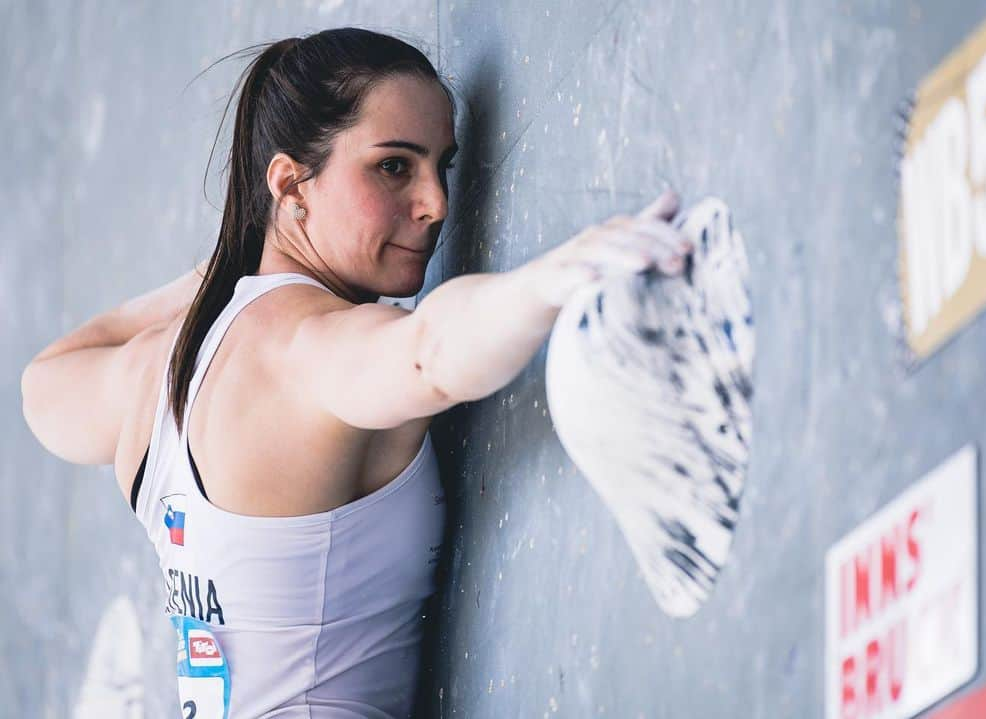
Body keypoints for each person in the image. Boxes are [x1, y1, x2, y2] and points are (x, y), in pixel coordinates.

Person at [20, 27, 691, 719]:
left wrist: (229, 263)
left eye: (443, 166)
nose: (436, 203)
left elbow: (44, 383)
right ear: (290, 184)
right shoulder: (306, 349)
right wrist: (553, 279)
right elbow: (429, 350)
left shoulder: (159, 367)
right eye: (394, 167)